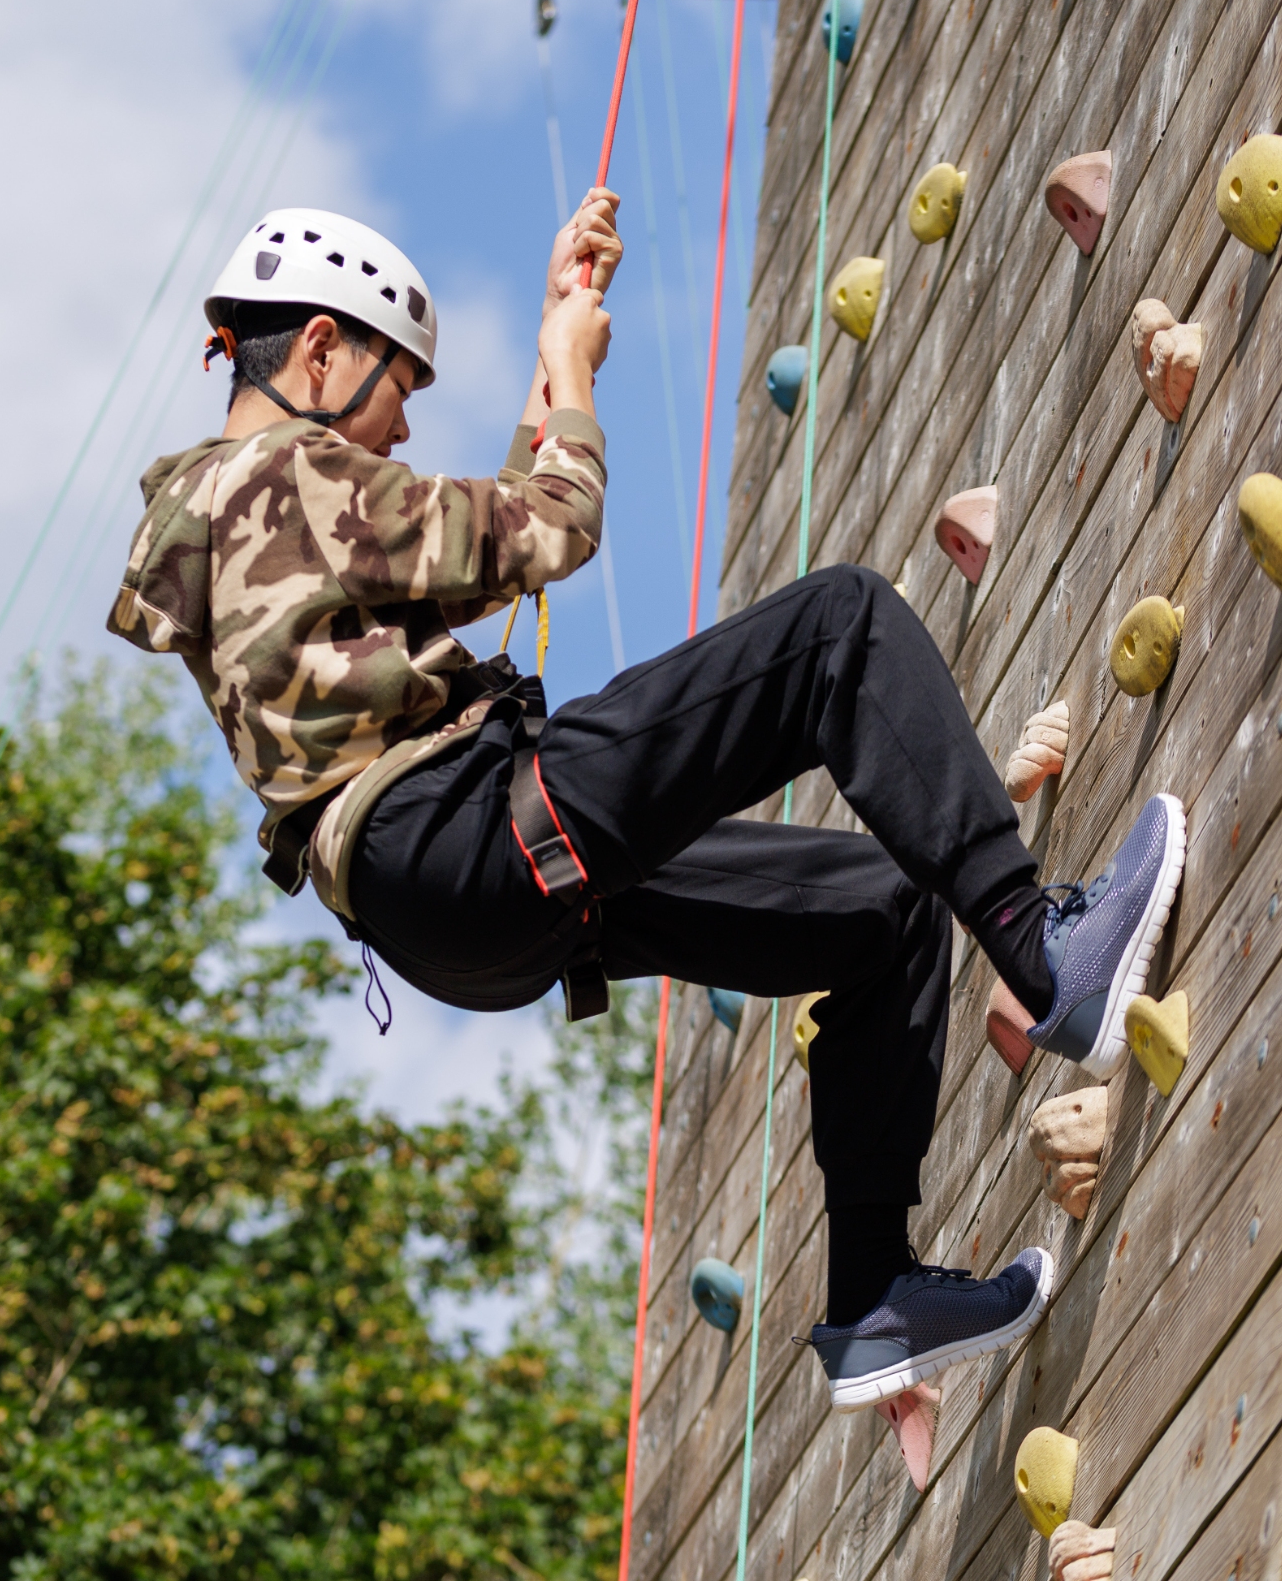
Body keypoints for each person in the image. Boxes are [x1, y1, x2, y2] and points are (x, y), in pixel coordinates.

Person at [108, 197, 1186, 1414]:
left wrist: (554, 340)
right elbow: (552, 526)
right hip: (464, 830)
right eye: (393, 386)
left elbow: (481, 555)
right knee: (838, 626)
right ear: (317, 349)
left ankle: (873, 1294)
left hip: (441, 906)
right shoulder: (287, 475)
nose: (400, 426)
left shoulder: (236, 517)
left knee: (884, 910)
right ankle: (1046, 955)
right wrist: (570, 372)